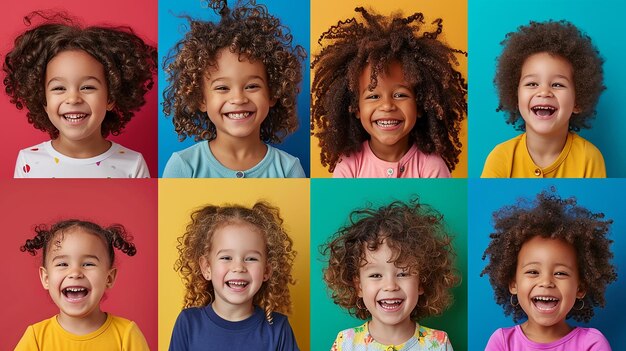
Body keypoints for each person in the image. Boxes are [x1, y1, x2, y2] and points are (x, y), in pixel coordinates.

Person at [311, 7, 467, 178]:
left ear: (421, 104)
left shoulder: (432, 167)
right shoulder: (349, 166)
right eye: (373, 96)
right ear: (356, 108)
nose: (387, 106)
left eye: (400, 95)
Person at [161, 0, 306, 178]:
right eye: (222, 88)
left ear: (273, 93)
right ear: (201, 99)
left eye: (252, 86)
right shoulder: (183, 166)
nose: (238, 98)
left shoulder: (289, 169)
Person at [4, 11, 157, 178]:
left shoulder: (133, 164)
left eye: (87, 87)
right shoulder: (29, 162)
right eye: (59, 88)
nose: (73, 99)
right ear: (43, 100)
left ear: (111, 97)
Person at [481, 189, 617, 350]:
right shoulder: (502, 342)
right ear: (513, 283)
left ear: (580, 288)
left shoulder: (592, 344)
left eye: (560, 273)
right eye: (533, 272)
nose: (546, 282)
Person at [322, 199, 458, 350]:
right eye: (375, 275)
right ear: (359, 286)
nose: (390, 286)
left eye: (402, 273)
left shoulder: (439, 343)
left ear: (421, 283)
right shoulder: (345, 343)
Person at [481, 21, 606, 178]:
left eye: (557, 84)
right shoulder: (500, 157)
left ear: (578, 100)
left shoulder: (590, 158)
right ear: (516, 96)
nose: (544, 92)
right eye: (532, 83)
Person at [169, 201, 299, 350]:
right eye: (226, 258)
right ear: (207, 267)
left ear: (267, 270)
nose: (238, 267)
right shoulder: (188, 323)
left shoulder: (278, 328)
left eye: (251, 259)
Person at [15, 220, 149, 350]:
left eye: (88, 264)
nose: (75, 273)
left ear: (109, 278)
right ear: (46, 278)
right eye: (63, 264)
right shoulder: (36, 338)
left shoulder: (126, 335)